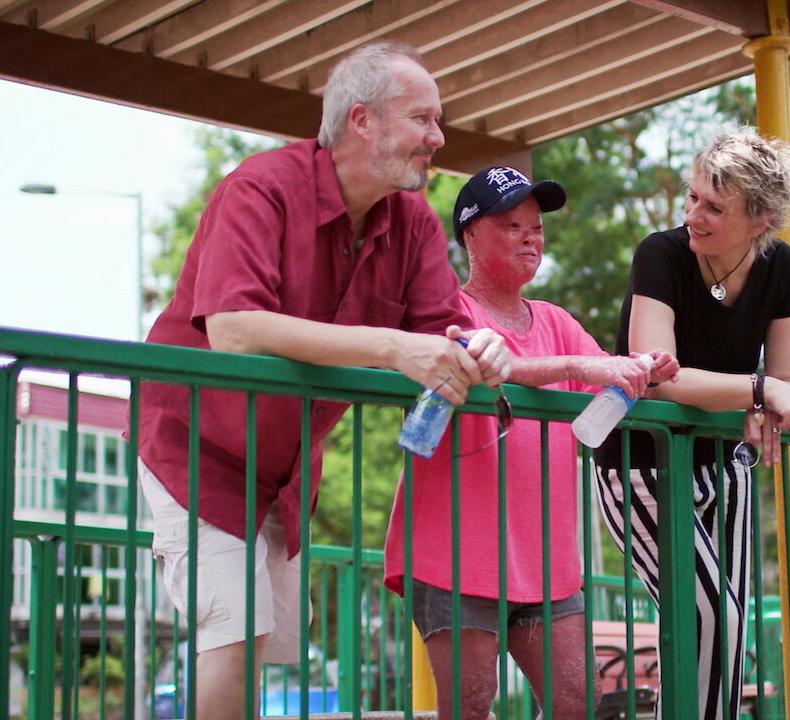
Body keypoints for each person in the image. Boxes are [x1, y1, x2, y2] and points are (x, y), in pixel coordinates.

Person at [135, 42, 511, 719]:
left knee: (262, 644)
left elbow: (442, 335)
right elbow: (233, 330)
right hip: (193, 448)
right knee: (235, 632)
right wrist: (393, 348)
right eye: (423, 119)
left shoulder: (414, 223)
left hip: (284, 469)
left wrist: (481, 348)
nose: (439, 137)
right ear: (362, 120)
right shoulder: (260, 187)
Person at [382, 166, 679, 720]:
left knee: (578, 701)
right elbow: (482, 365)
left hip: (545, 559)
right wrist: (580, 366)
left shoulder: (557, 321)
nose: (530, 238)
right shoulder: (447, 309)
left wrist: (645, 370)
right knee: (470, 705)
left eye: (537, 227)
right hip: (456, 550)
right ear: (470, 235)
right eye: (511, 225)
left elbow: (608, 381)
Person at [593, 131, 790, 720]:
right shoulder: (660, 254)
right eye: (693, 197)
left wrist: (770, 394)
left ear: (760, 220)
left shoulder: (782, 268)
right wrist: (760, 391)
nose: (694, 214)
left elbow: (789, 385)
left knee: (728, 631)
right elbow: (659, 375)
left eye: (715, 208)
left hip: (727, 465)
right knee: (708, 617)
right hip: (641, 465)